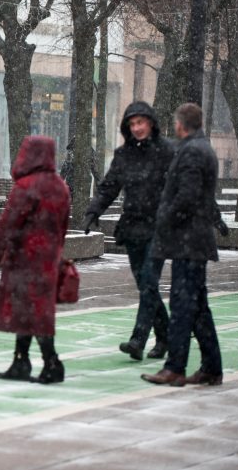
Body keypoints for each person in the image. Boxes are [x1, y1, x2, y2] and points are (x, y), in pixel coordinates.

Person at [81, 102, 174, 361]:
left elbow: (185, 183)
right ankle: (166, 336)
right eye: (132, 124)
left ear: (151, 123)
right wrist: (93, 212)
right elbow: (109, 186)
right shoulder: (124, 155)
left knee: (148, 283)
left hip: (159, 226)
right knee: (146, 285)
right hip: (133, 228)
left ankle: (138, 340)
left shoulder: (167, 152)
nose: (137, 128)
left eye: (141, 122)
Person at [143, 103, 224, 387]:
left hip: (187, 242)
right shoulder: (203, 148)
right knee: (198, 306)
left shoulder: (191, 151)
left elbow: (187, 197)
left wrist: (163, 217)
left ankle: (175, 367)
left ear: (180, 124)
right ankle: (211, 367)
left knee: (182, 305)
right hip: (195, 241)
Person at [0, 136, 71, 384]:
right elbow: (62, 226)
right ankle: (21, 360)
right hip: (48, 259)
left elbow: (9, 223)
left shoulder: (26, 186)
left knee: (32, 312)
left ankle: (51, 362)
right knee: (35, 310)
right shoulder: (60, 186)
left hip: (24, 259)